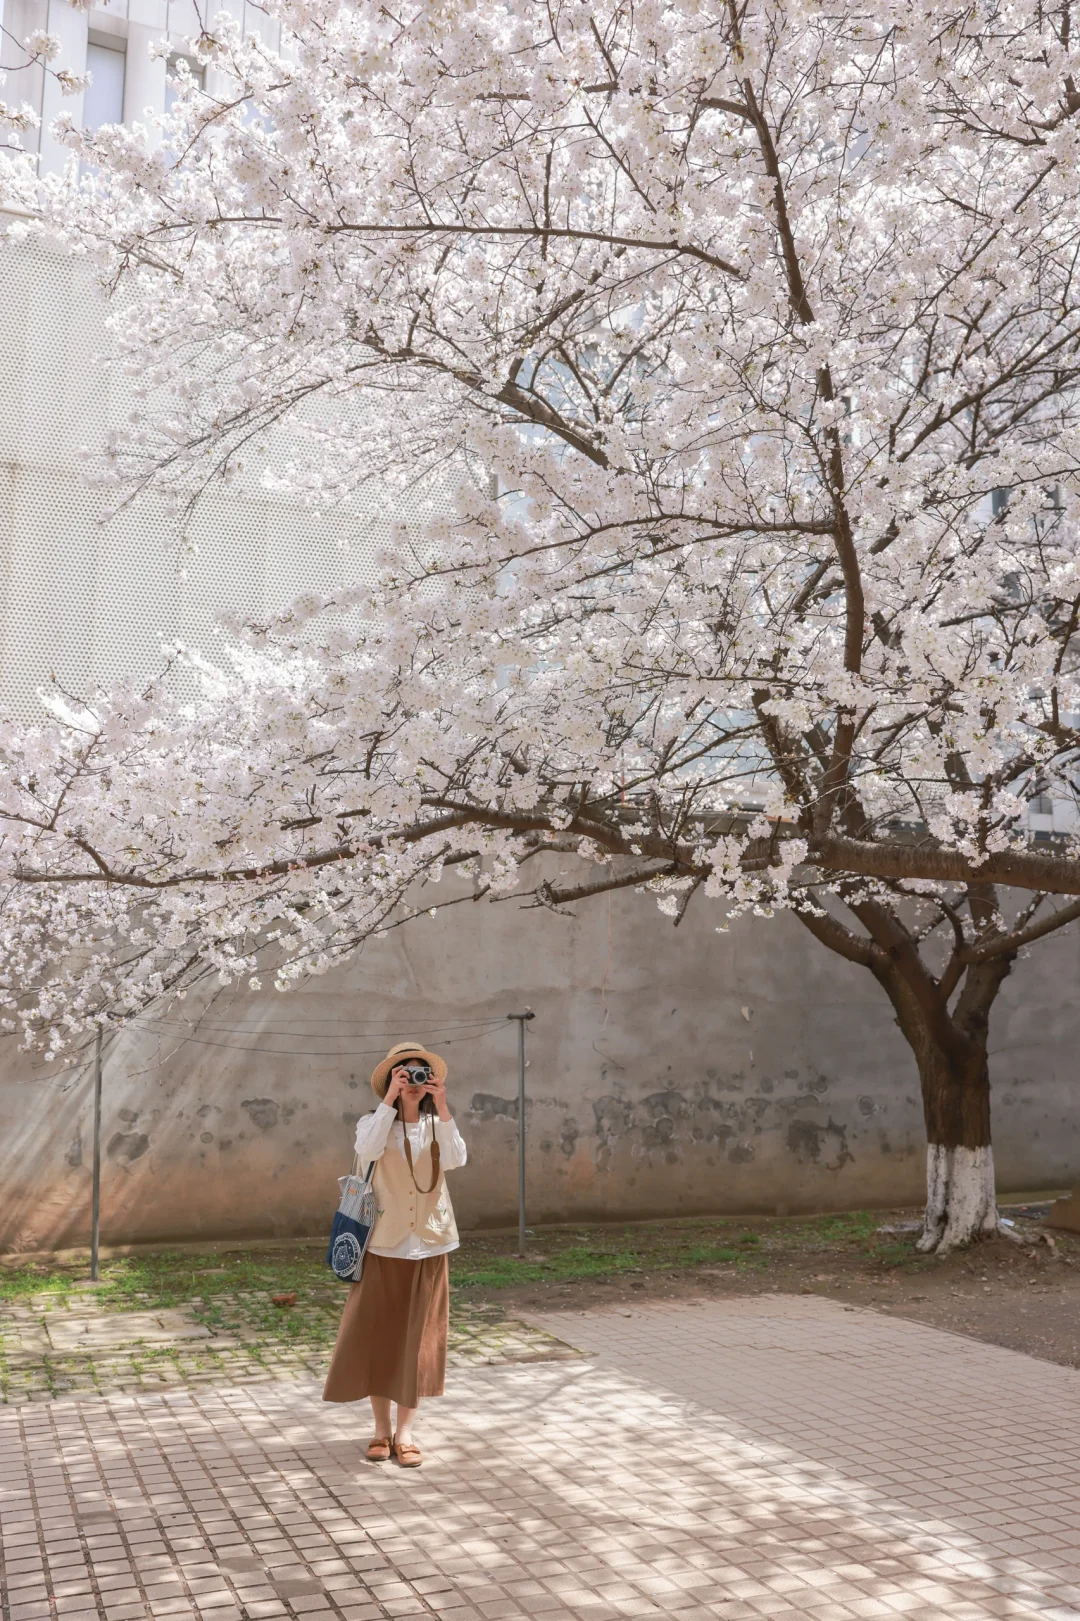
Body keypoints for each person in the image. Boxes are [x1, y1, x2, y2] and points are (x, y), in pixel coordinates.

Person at [322, 1040, 467, 1468]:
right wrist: (389, 1100)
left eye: (423, 1073)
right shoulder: (375, 1124)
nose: (415, 1081)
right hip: (383, 1245)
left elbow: (457, 1158)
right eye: (406, 1074)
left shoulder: (436, 1125)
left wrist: (442, 1106)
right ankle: (380, 1431)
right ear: (392, 1078)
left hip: (430, 1245)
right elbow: (365, 1150)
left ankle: (406, 1433)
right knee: (378, 1338)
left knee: (418, 1343)